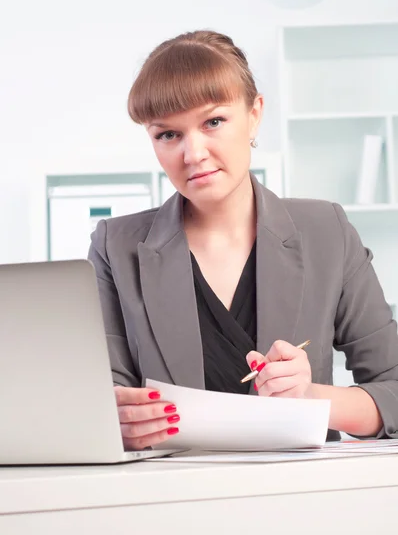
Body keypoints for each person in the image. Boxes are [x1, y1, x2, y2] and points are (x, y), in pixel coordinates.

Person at [88, 30, 398, 451]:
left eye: (213, 122)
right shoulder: (115, 245)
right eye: (168, 135)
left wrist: (311, 399)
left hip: (304, 499)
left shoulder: (326, 230)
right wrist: (111, 421)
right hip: (168, 499)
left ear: (254, 115)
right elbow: (101, 399)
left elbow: (394, 388)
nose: (193, 153)